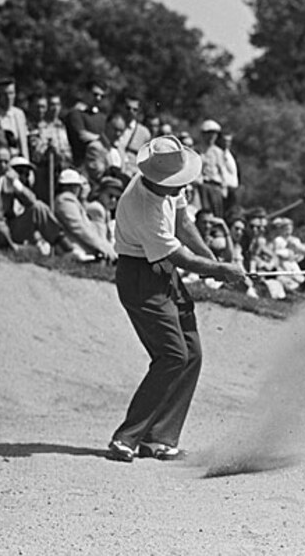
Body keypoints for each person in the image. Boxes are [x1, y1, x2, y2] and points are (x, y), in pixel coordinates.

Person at [107, 135, 245, 462]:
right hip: (140, 276)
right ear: (156, 179)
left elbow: (184, 222)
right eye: (173, 183)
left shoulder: (170, 183)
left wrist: (214, 259)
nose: (179, 187)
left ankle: (159, 439)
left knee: (192, 353)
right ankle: (125, 439)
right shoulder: (143, 206)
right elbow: (179, 256)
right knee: (171, 355)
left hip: (162, 272)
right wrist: (220, 270)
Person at [0, 145, 74, 252]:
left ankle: (65, 247)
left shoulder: (8, 180)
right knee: (0, 229)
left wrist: (16, 184)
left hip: (8, 225)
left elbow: (32, 201)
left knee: (39, 207)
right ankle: (15, 248)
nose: (2, 166)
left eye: (5, 162)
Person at [64, 80, 109, 168]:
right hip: (81, 164)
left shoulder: (102, 117)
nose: (98, 98)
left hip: (101, 163)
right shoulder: (75, 113)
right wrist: (100, 138)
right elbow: (82, 135)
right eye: (95, 94)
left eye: (102, 96)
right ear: (85, 92)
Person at [0, 77, 29, 159]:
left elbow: (24, 145)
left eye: (11, 93)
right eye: (5, 94)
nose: (8, 98)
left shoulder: (19, 114)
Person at [198, 119, 226, 218]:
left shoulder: (218, 152)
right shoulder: (198, 150)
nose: (211, 137)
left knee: (217, 213)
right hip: (203, 184)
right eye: (208, 134)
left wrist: (224, 186)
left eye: (213, 134)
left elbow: (222, 170)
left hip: (216, 185)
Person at [219, 132, 240, 215]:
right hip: (224, 189)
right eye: (224, 141)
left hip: (233, 189)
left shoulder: (231, 154)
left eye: (228, 141)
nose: (226, 143)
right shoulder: (219, 154)